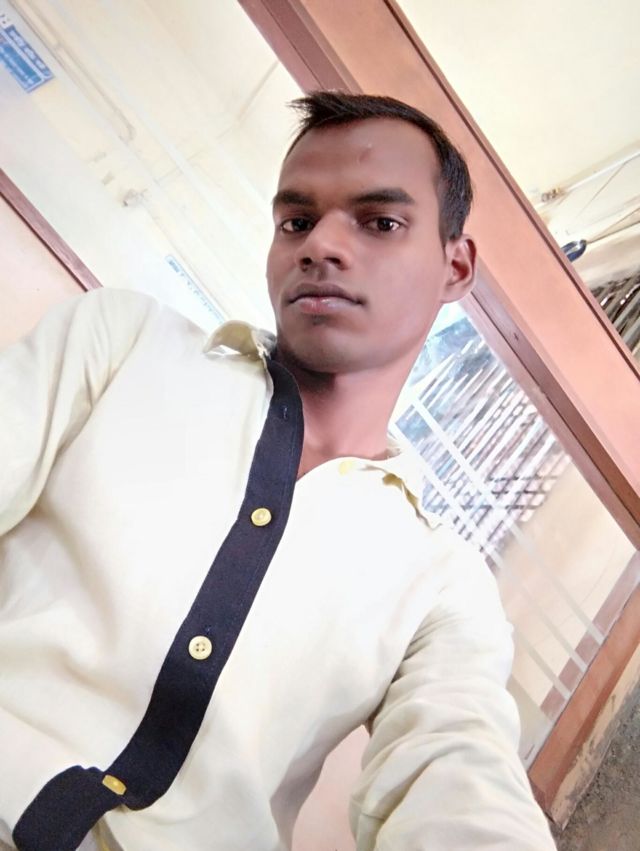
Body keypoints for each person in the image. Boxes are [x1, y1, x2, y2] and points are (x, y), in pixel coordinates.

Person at [0, 91, 556, 850]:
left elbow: (459, 774)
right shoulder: (122, 344)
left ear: (454, 266)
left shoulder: (440, 582)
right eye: (296, 220)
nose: (320, 244)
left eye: (380, 222)